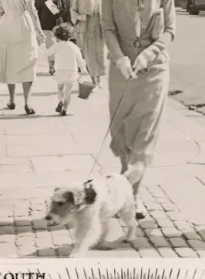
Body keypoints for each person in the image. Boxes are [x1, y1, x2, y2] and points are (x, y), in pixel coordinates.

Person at [101, 0, 176, 219]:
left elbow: (170, 30)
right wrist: (120, 58)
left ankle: (133, 197)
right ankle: (126, 191)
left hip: (155, 69)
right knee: (123, 131)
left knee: (144, 133)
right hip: (121, 69)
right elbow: (108, 28)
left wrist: (149, 53)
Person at [0, 0, 45, 115]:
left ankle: (11, 100)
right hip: (23, 24)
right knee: (28, 62)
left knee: (10, 62)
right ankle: (27, 102)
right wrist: (39, 31)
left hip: (6, 25)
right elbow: (32, 11)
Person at [47, 22, 87, 116]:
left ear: (57, 36)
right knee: (68, 92)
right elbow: (79, 59)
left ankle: (61, 101)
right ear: (70, 36)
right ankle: (65, 109)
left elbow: (48, 53)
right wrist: (83, 69)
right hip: (72, 72)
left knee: (60, 88)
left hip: (60, 71)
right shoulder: (74, 47)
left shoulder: (57, 46)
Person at [71, 0, 106, 90]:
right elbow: (72, 10)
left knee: (100, 53)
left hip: (99, 27)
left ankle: (99, 77)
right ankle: (93, 81)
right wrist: (79, 17)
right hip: (85, 27)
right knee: (89, 55)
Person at [35, 0, 67, 75]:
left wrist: (56, 11)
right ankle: (52, 67)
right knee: (50, 47)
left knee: (61, 47)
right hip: (46, 25)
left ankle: (60, 67)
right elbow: (37, 11)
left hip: (58, 25)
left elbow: (64, 9)